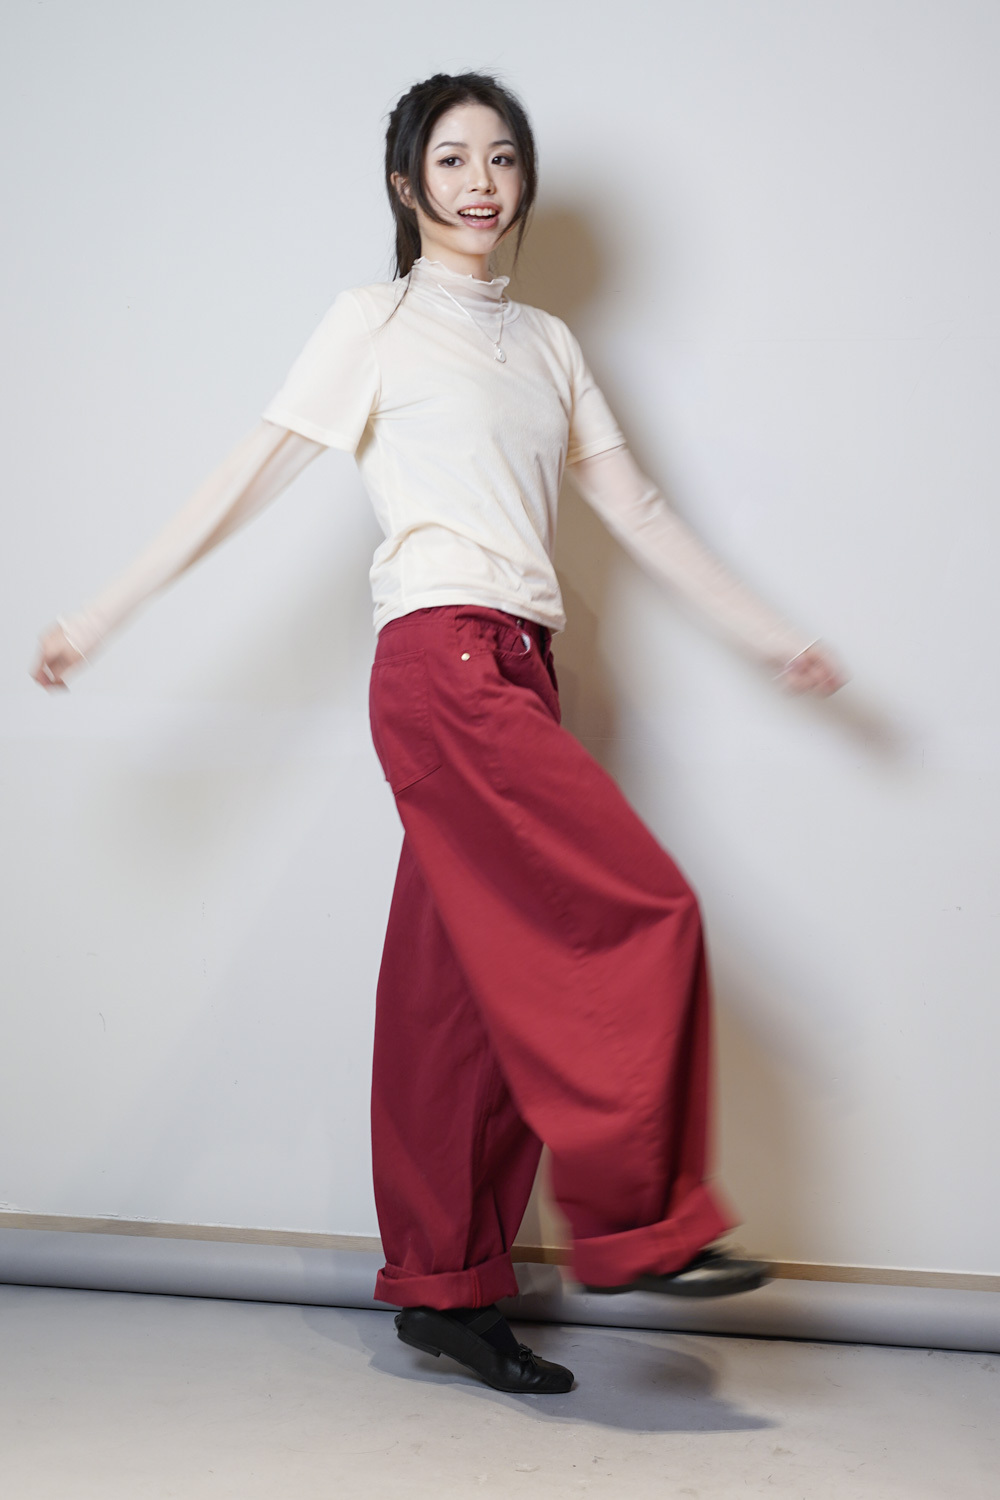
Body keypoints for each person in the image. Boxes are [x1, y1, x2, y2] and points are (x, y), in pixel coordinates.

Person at [33, 71, 846, 1396]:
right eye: (454, 158)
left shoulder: (549, 347)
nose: (482, 181)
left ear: (524, 183)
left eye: (503, 158)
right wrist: (101, 613)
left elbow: (638, 511)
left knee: (451, 998)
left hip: (523, 672)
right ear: (407, 182)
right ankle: (640, 1224)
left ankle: (445, 1288)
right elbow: (253, 472)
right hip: (441, 667)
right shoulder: (375, 322)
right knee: (642, 910)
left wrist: (770, 638)